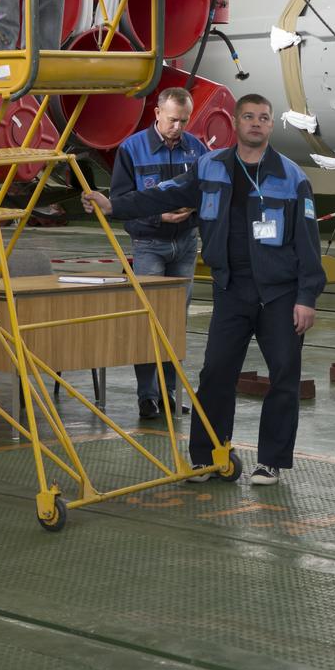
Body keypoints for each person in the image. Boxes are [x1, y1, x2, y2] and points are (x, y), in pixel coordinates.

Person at [83, 93, 325, 487]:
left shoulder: (293, 177)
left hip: (280, 295)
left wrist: (306, 297)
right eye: (248, 117)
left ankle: (271, 463)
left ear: (270, 124)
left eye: (263, 118)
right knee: (214, 374)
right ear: (236, 122)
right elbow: (164, 193)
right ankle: (207, 455)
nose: (256, 124)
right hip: (231, 290)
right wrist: (114, 206)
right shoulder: (209, 167)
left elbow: (308, 243)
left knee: (284, 376)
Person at [110, 87, 208, 420]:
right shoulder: (131, 150)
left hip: (185, 244)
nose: (178, 127)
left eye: (184, 121)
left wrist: (191, 215)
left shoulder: (197, 150)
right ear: (156, 114)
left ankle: (170, 393)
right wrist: (157, 216)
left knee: (174, 323)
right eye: (172, 120)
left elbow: (208, 193)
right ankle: (147, 396)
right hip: (150, 244)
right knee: (149, 320)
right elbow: (120, 202)